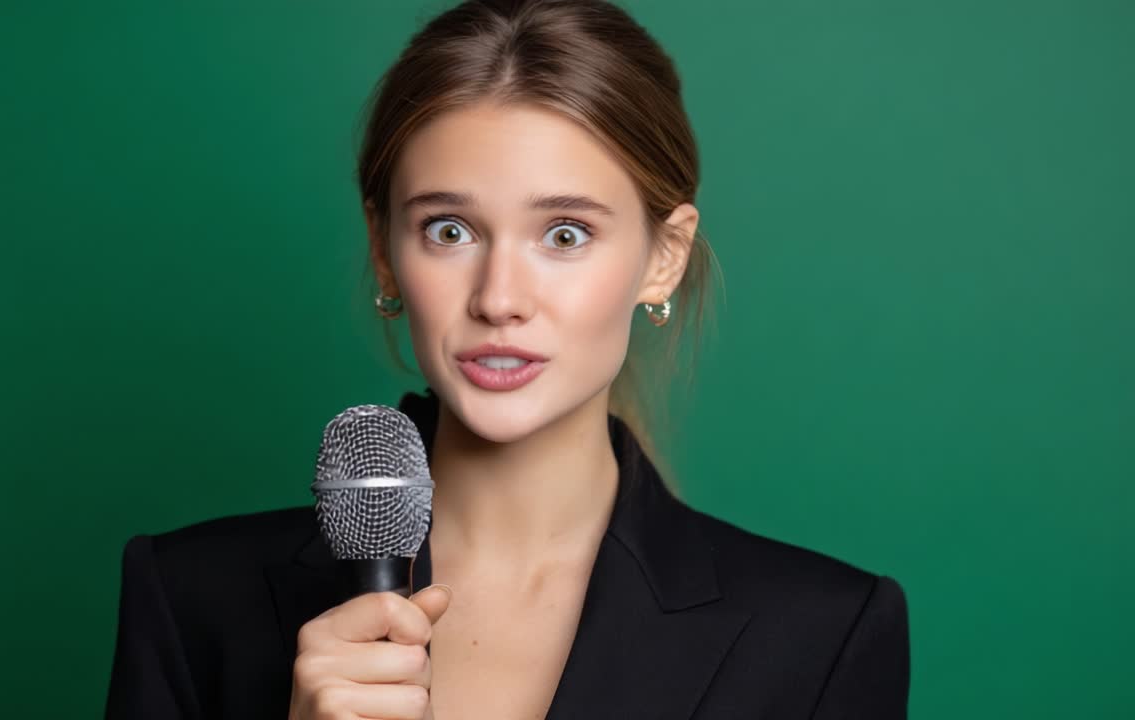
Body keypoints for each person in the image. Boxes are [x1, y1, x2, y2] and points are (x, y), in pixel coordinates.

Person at [104, 1, 911, 718]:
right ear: (385, 251)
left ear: (663, 257)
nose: (499, 298)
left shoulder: (822, 636)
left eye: (565, 234)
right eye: (449, 230)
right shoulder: (190, 599)